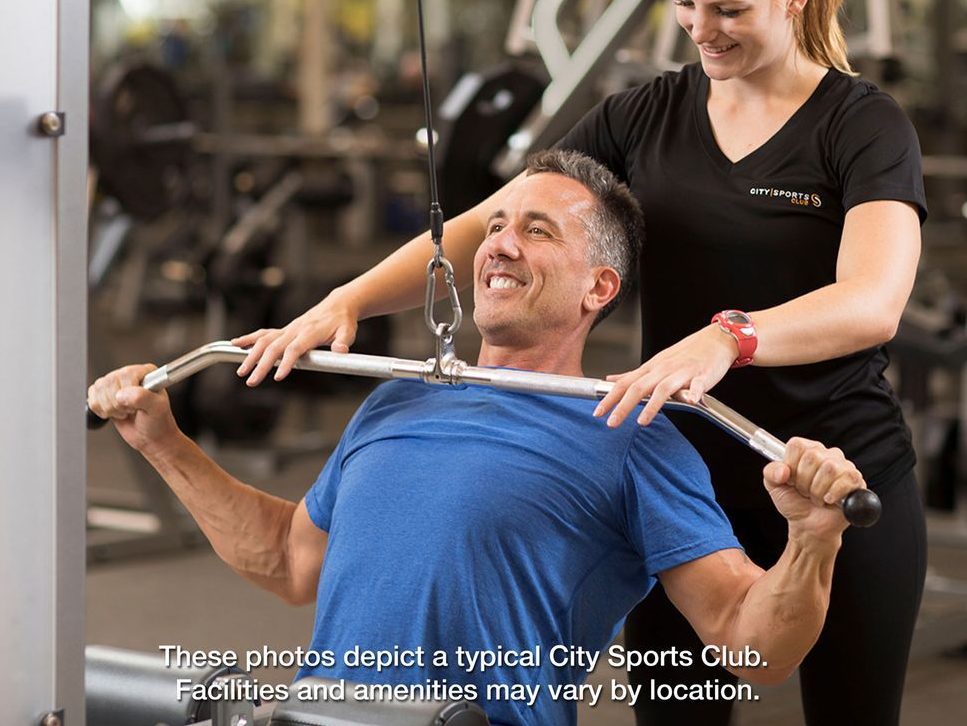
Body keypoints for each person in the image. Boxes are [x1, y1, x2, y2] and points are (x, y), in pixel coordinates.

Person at [234, 0, 927, 726]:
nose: (701, 30)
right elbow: (489, 223)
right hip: (682, 469)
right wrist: (346, 300)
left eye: (729, 11)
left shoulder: (861, 124)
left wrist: (727, 338)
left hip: (830, 465)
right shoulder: (643, 115)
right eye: (686, 4)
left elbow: (872, 301)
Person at [90, 151, 868, 726]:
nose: (499, 244)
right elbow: (291, 560)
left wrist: (812, 540)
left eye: (537, 231)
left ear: (598, 287)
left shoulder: (633, 435)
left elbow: (752, 645)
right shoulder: (394, 402)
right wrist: (162, 441)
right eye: (495, 227)